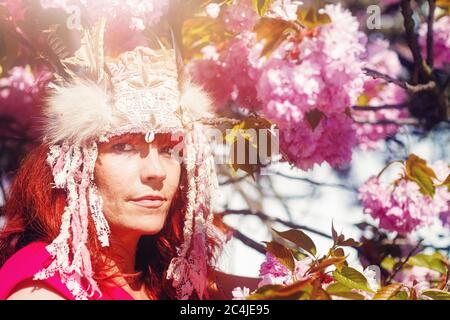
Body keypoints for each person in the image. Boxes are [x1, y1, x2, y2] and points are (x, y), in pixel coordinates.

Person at [0, 20, 259, 300]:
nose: (156, 171)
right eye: (123, 147)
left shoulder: (168, 278)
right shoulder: (42, 289)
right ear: (74, 166)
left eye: (168, 149)